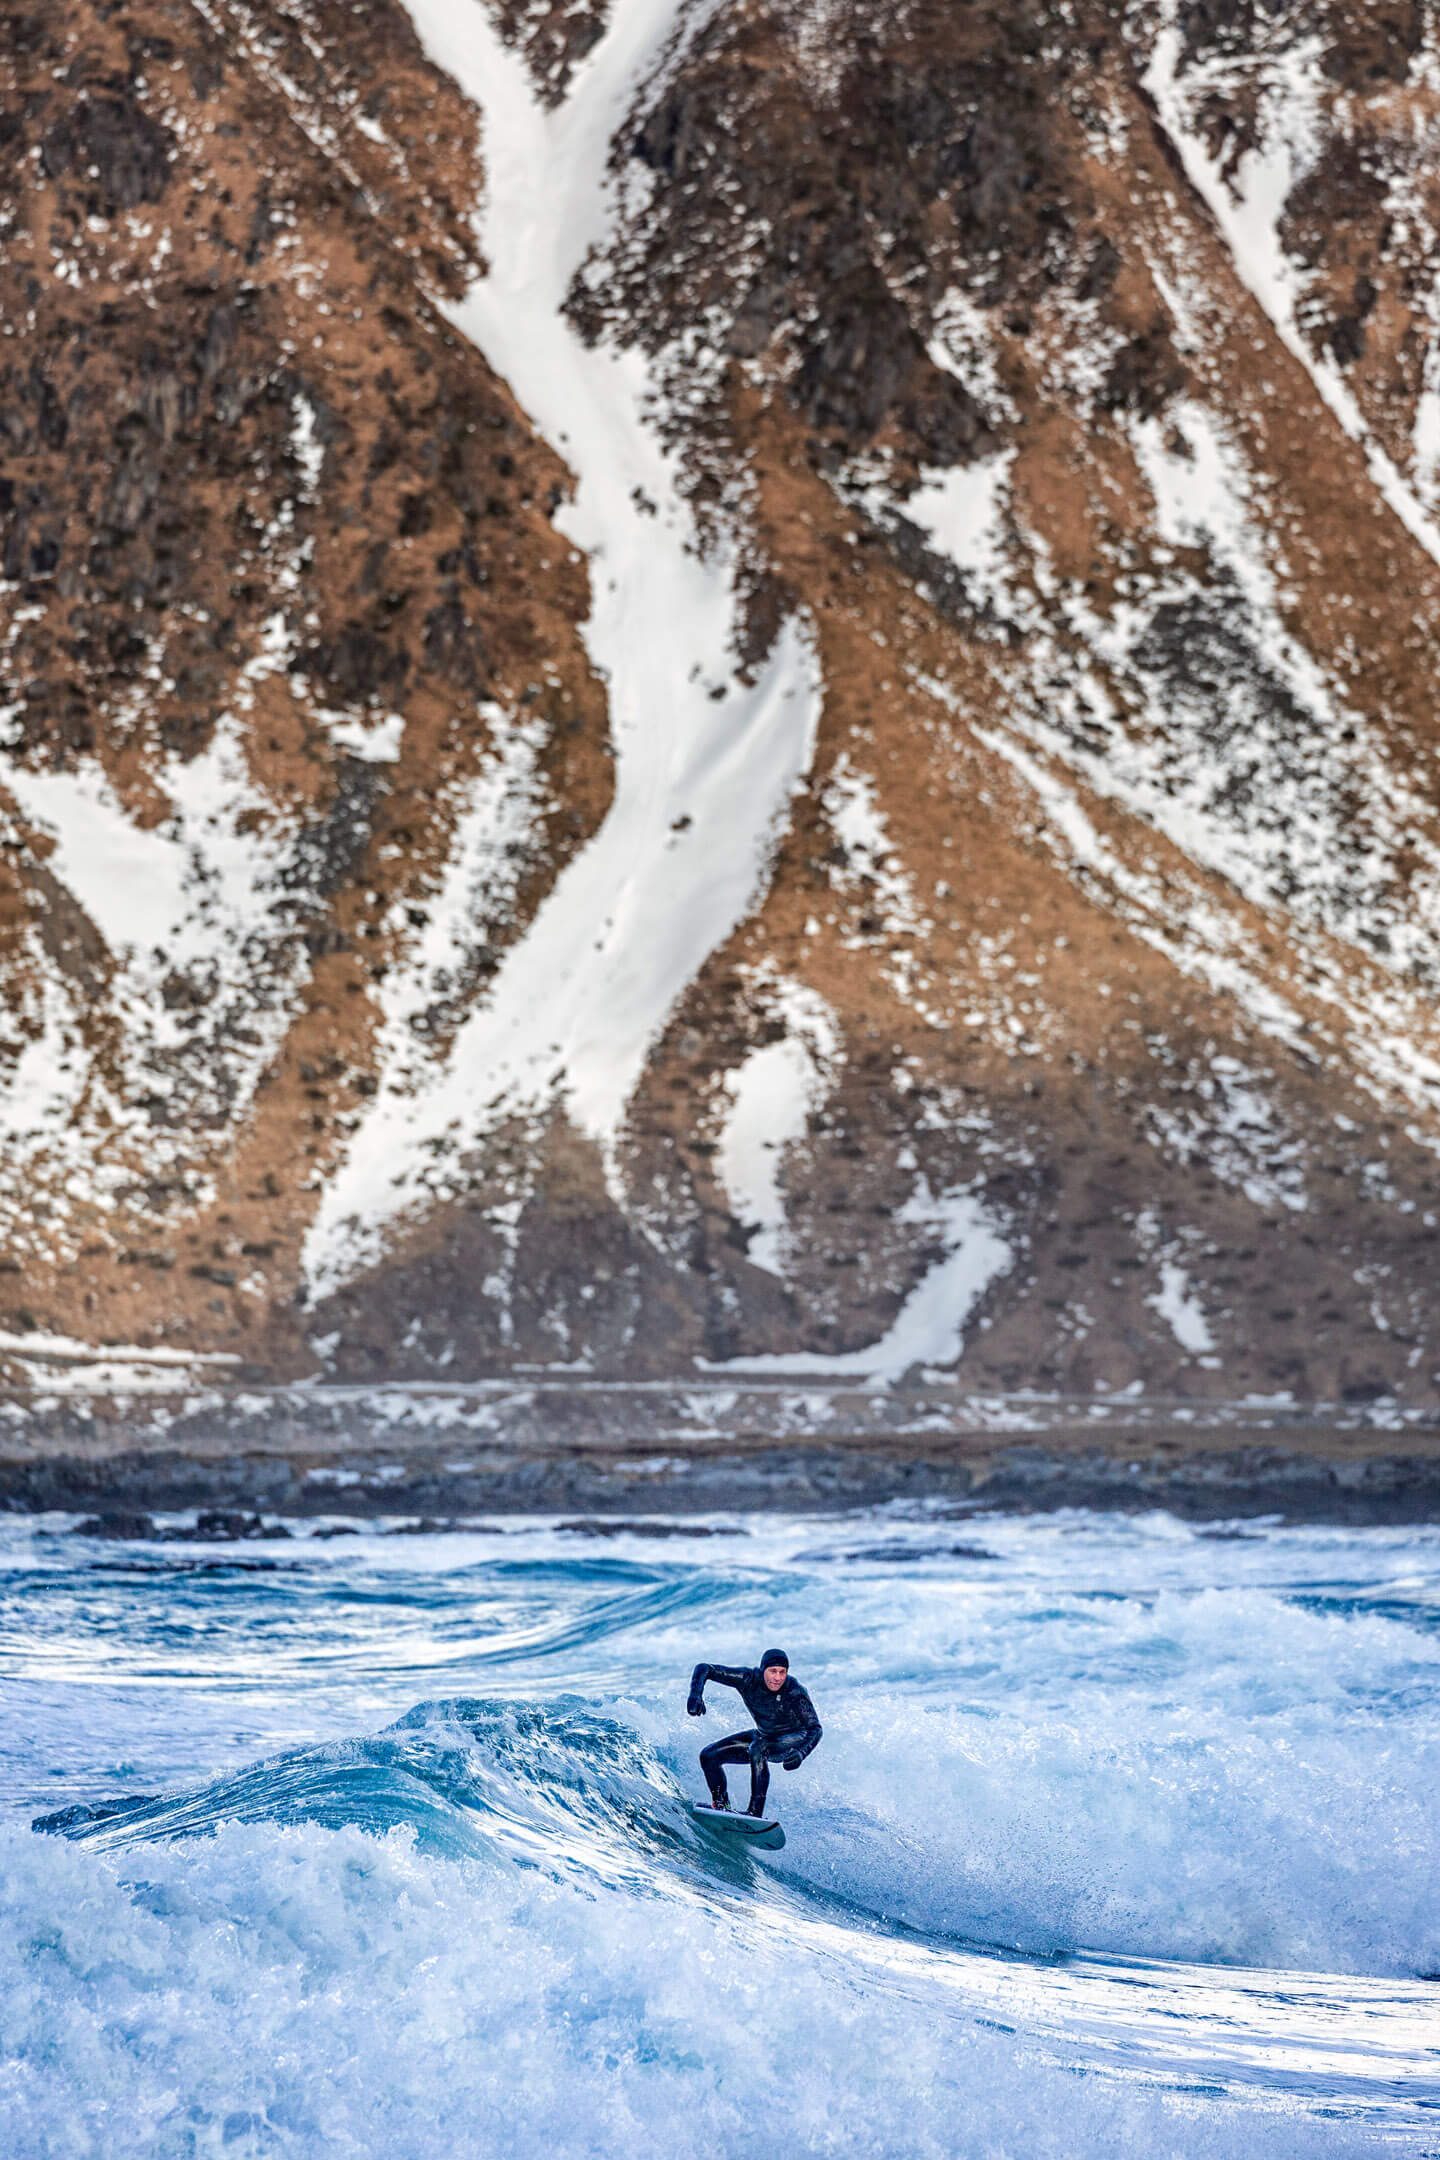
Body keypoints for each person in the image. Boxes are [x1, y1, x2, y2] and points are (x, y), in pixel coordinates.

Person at [687, 1647, 822, 1816]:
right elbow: (704, 1668)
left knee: (758, 1747)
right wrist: (696, 1695)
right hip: (765, 1735)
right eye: (773, 1671)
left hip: (793, 1738)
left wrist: (802, 1753)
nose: (778, 1678)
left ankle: (754, 1813)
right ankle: (721, 1806)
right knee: (709, 1756)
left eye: (782, 1672)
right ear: (762, 1669)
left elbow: (815, 1729)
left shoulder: (794, 1691)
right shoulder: (747, 1679)